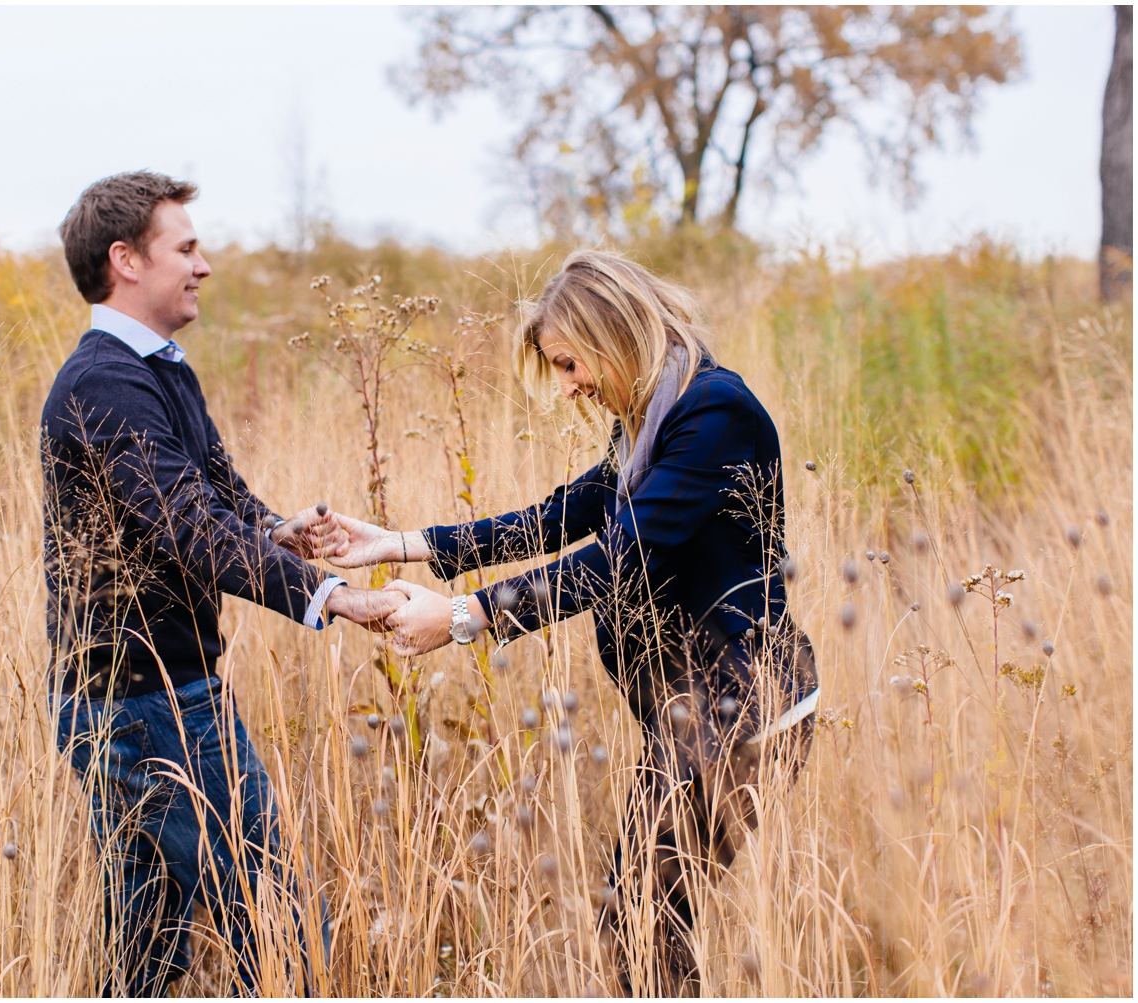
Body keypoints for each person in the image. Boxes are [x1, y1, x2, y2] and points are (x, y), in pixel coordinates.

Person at [321, 249, 819, 992]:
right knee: (646, 917)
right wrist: (403, 544)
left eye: (568, 364)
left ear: (613, 331)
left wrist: (465, 616)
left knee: (644, 918)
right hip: (695, 705)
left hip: (746, 700)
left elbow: (619, 557)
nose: (568, 388)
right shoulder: (652, 418)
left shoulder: (714, 412)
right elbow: (564, 513)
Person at [41, 171, 401, 996]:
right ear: (126, 260)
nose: (203, 265)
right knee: (270, 926)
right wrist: (333, 597)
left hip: (142, 696)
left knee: (149, 947)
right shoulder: (103, 382)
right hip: (145, 701)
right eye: (187, 247)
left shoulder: (160, 369)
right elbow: (187, 527)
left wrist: (282, 530)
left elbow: (216, 497)